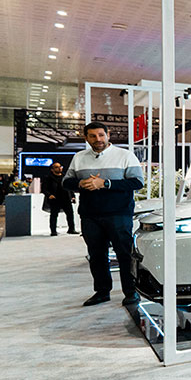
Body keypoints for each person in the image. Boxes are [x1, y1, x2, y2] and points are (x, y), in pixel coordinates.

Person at [64, 122, 145, 307]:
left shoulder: (125, 155)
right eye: (92, 136)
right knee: (96, 255)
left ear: (108, 135)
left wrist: (106, 183)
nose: (98, 139)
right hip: (90, 215)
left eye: (101, 135)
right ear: (86, 138)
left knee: (124, 254)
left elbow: (137, 182)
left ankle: (131, 292)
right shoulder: (79, 157)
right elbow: (66, 182)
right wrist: (80, 183)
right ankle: (102, 292)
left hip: (119, 214)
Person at [43, 162, 78, 236]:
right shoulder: (48, 178)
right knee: (54, 215)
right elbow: (44, 189)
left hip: (66, 198)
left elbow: (69, 187)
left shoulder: (65, 177)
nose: (59, 168)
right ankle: (53, 231)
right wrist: (49, 195)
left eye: (60, 166)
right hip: (55, 199)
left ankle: (71, 229)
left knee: (70, 214)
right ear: (52, 169)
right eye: (56, 167)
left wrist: (73, 196)